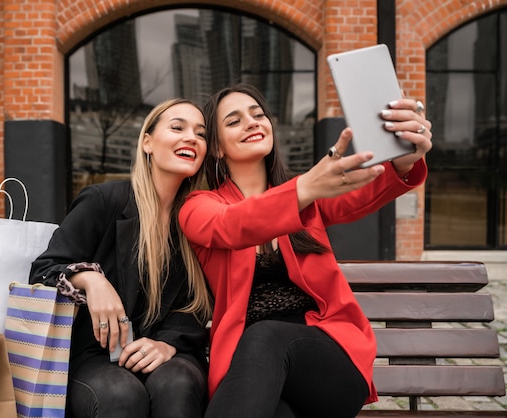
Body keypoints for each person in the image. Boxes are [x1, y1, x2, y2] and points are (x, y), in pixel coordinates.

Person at [178, 83, 432, 418]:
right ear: (217, 149)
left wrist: (404, 160)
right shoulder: (199, 207)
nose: (253, 122)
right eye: (234, 121)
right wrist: (303, 188)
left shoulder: (308, 197)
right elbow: (230, 224)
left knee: (265, 336)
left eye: (258, 115)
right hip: (254, 372)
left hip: (331, 360)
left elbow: (366, 187)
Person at [30, 98, 214, 418]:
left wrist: (168, 344)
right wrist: (90, 278)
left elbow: (200, 302)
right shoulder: (104, 200)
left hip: (172, 351)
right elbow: (42, 269)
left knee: (177, 385)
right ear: (147, 142)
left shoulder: (198, 218)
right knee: (121, 394)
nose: (191, 138)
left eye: (200, 134)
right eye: (177, 127)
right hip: (96, 356)